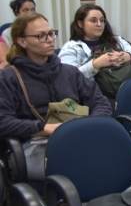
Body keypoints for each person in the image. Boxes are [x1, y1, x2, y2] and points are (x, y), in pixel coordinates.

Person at [0, 13, 112, 180]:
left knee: (116, 159)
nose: (50, 39)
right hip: (33, 147)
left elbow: (100, 102)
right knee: (91, 166)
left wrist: (90, 125)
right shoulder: (9, 77)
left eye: (51, 33)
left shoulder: (69, 72)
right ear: (22, 42)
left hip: (76, 137)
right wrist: (45, 128)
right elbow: (3, 121)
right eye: (41, 36)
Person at [59, 4, 131, 98]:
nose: (99, 24)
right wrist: (96, 64)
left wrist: (128, 57)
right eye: (93, 20)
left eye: (102, 20)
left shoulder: (117, 41)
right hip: (93, 99)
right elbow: (68, 80)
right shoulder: (71, 48)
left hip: (127, 92)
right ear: (80, 24)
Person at [1, 0, 37, 69]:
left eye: (33, 9)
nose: (30, 13)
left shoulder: (40, 29)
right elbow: (10, 56)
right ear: (17, 13)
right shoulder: (8, 33)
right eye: (26, 10)